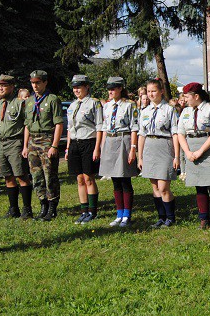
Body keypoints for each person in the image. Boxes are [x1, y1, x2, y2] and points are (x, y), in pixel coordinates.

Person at [177, 82, 210, 229]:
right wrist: (187, 152)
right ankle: (204, 219)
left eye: (187, 96)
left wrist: (201, 151)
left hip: (209, 149)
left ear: (196, 96)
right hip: (191, 148)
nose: (185, 99)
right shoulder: (185, 112)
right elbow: (180, 133)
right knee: (198, 186)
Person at [22, 70, 64, 222]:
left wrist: (54, 145)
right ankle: (43, 204)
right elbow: (27, 125)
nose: (35, 85)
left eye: (38, 82)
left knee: (49, 175)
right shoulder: (29, 101)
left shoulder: (52, 99)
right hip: (33, 140)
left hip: (47, 139)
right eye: (33, 83)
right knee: (36, 175)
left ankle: (52, 207)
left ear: (45, 82)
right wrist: (26, 145)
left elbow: (59, 123)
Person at [138, 78, 180, 228]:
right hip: (150, 147)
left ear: (161, 91)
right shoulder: (144, 111)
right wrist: (140, 157)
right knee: (155, 187)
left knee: (163, 187)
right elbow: (141, 135)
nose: (150, 94)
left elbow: (175, 133)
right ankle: (161, 217)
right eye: (148, 91)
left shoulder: (169, 110)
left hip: (164, 146)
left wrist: (176, 156)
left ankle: (171, 216)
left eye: (153, 91)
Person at [99, 77, 139, 227]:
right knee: (115, 179)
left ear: (120, 88)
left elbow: (134, 127)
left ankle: (127, 215)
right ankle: (119, 213)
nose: (111, 91)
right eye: (109, 88)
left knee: (124, 178)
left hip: (124, 139)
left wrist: (133, 148)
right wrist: (103, 147)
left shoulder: (130, 105)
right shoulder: (107, 106)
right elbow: (104, 127)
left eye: (114, 88)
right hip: (110, 140)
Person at [65, 74, 103, 224]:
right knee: (79, 178)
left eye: (79, 87)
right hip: (75, 143)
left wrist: (97, 148)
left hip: (89, 141)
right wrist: (68, 148)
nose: (76, 90)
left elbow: (99, 127)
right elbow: (69, 128)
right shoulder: (73, 105)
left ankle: (92, 211)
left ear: (87, 87)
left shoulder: (94, 103)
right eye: (74, 87)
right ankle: (84, 210)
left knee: (88, 177)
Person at [0, 75, 33, 219]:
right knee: (8, 177)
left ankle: (27, 208)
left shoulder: (19, 104)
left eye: (3, 86)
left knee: (21, 175)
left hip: (15, 142)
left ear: (11, 87)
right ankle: (13, 208)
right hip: (0, 143)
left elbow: (27, 124)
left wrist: (25, 145)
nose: (0, 88)